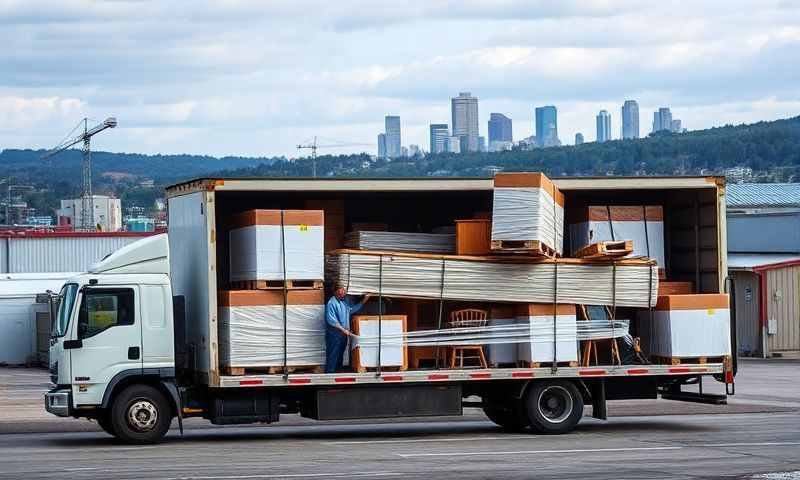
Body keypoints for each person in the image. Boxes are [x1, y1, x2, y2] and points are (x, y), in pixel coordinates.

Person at [324, 285, 371, 374]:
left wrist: (365, 299)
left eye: (344, 291)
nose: (343, 293)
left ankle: (337, 372)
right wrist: (343, 330)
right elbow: (331, 320)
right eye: (341, 291)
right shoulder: (331, 303)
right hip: (334, 334)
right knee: (333, 354)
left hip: (343, 334)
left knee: (340, 354)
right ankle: (330, 374)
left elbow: (352, 309)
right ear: (336, 292)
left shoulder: (344, 302)